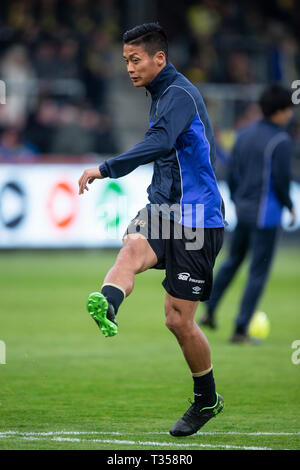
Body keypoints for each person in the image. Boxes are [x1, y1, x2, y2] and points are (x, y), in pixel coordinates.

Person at [78, 23, 225, 437]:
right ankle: (107, 303)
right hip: (162, 210)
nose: (129, 67)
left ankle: (206, 400)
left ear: (160, 58)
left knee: (178, 320)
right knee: (131, 248)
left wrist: (106, 168)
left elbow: (160, 144)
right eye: (125, 60)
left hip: (198, 219)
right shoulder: (160, 94)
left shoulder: (177, 94)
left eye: (135, 59)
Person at [199, 84, 295, 342]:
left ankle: (208, 309)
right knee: (257, 272)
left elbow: (231, 173)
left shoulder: (243, 135)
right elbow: (282, 179)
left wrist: (235, 199)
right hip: (267, 215)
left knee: (232, 262)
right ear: (280, 111)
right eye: (289, 110)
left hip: (244, 211)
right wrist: (289, 205)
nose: (290, 115)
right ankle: (241, 328)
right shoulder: (281, 140)